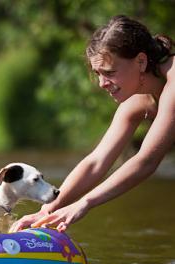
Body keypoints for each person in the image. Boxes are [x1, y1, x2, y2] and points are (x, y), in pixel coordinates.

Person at [11, 15, 174, 233]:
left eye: (110, 73)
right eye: (98, 73)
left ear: (141, 62)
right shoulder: (138, 100)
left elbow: (146, 161)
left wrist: (85, 203)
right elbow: (96, 162)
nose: (101, 83)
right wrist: (47, 210)